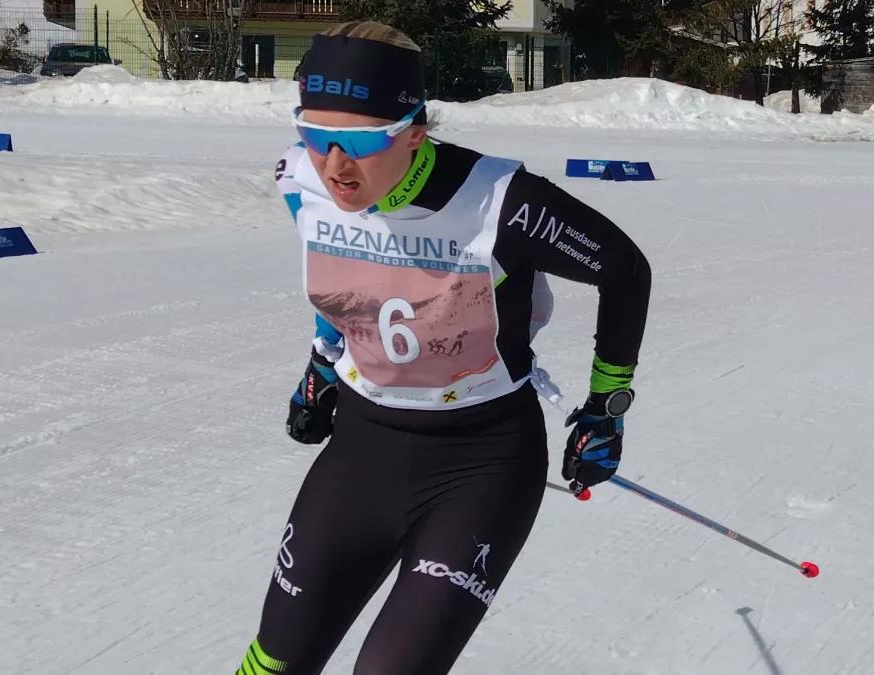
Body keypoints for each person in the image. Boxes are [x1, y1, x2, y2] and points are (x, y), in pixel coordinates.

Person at [235, 21, 651, 675]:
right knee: (274, 661)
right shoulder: (301, 180)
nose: (336, 164)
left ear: (413, 132)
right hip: (362, 453)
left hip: (481, 465)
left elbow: (624, 269)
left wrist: (608, 404)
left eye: (363, 142)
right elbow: (350, 287)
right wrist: (321, 365)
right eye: (317, 136)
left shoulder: (500, 202)